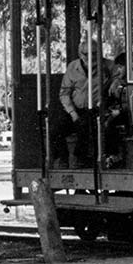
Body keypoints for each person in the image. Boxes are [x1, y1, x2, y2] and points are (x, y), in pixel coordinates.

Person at [52, 35, 115, 169]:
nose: (90, 57)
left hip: (95, 110)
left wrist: (115, 82)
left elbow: (120, 75)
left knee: (86, 125)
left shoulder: (108, 66)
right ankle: (63, 159)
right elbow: (64, 93)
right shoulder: (73, 67)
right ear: (80, 54)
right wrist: (72, 113)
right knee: (56, 128)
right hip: (74, 108)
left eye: (94, 53)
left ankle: (81, 160)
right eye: (86, 54)